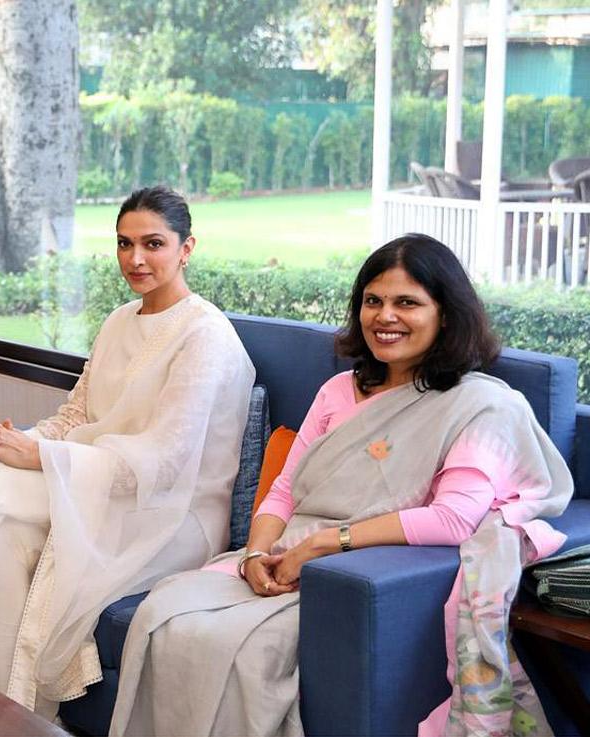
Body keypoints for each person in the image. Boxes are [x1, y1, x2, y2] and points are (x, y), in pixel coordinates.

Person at [110, 233, 573, 737]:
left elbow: (454, 517)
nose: (385, 316)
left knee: (245, 648)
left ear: (446, 313)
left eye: (407, 303)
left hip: (345, 568)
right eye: (373, 301)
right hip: (283, 552)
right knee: (164, 612)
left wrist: (324, 545)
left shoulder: (481, 406)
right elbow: (286, 489)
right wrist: (252, 557)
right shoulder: (338, 389)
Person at [0, 186, 257, 717]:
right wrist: (16, 443)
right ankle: (2, 700)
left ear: (186, 248)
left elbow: (165, 463)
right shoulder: (119, 321)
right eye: (124, 244)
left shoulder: (205, 337)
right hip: (97, 481)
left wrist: (42, 459)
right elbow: (77, 416)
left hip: (171, 512)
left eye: (153, 244)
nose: (136, 259)